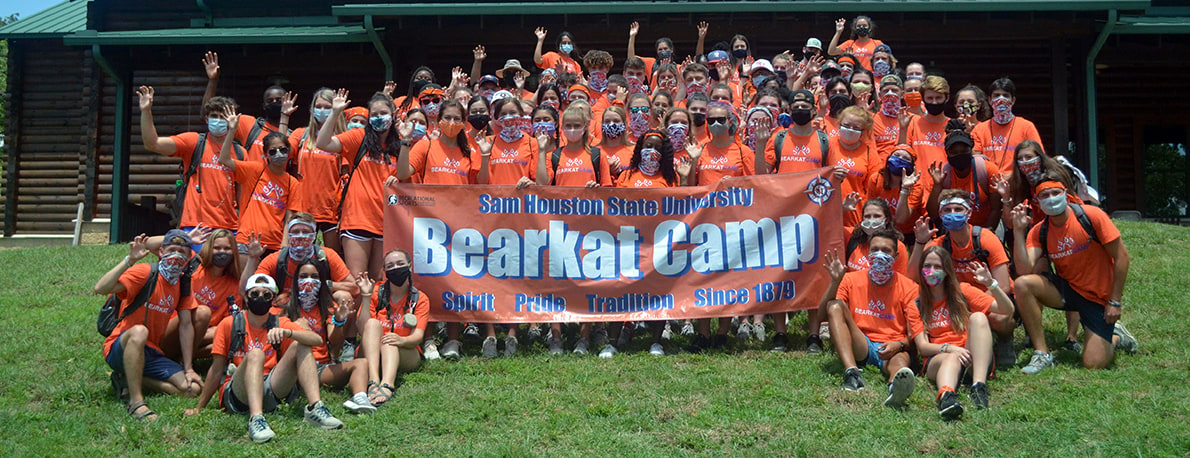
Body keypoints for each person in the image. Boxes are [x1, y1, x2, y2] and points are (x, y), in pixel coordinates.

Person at [186, 274, 344, 443]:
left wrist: (288, 332)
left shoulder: (279, 323)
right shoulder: (229, 323)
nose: (260, 298)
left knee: (301, 343)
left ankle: (315, 407)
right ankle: (256, 418)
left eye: (266, 295)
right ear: (246, 297)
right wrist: (199, 407)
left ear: (273, 299)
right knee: (256, 353)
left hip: (271, 385)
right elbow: (216, 369)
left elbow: (317, 340)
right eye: (255, 294)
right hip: (239, 392)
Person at [1011, 179, 1138, 375]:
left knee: (1093, 363)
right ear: (1037, 201)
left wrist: (1115, 301)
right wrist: (1019, 231)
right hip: (1067, 290)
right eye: (1045, 195)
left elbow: (1122, 257)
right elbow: (1024, 268)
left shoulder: (1091, 216)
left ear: (1066, 194)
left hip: (1098, 298)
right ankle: (1042, 353)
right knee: (1022, 284)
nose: (1051, 199)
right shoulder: (1039, 231)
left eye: (1055, 193)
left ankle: (1116, 337)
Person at [97, 230, 203, 421]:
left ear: (189, 258)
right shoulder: (146, 272)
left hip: (151, 353)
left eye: (182, 252)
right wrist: (129, 260)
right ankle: (136, 402)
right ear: (161, 252)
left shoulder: (182, 284)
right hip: (121, 346)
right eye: (172, 250)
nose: (177, 255)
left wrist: (188, 368)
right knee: (139, 331)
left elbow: (186, 325)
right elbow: (101, 288)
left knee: (192, 389)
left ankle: (128, 378)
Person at [910, 189, 1017, 365]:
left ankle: (1004, 340)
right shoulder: (940, 243)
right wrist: (920, 242)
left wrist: (972, 306)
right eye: (947, 210)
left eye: (958, 209)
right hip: (958, 300)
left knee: (997, 318)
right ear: (941, 214)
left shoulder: (985, 238)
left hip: (989, 296)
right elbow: (914, 278)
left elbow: (1004, 285)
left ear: (968, 213)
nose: (953, 214)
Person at [821, 228, 922, 410]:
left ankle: (896, 388)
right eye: (875, 250)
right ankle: (852, 373)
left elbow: (916, 334)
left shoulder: (910, 288)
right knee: (834, 305)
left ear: (896, 255)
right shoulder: (850, 279)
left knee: (900, 363)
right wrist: (835, 281)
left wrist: (899, 345)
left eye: (886, 251)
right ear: (868, 253)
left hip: (893, 346)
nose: (879, 255)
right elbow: (823, 314)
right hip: (861, 342)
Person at [913, 247, 1013, 419]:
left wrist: (991, 284)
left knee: (979, 317)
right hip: (940, 357)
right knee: (951, 357)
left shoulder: (963, 291)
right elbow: (922, 347)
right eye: (927, 266)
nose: (931, 271)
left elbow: (1007, 309)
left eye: (937, 267)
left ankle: (978, 386)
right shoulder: (916, 301)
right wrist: (950, 349)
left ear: (947, 270)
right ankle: (947, 397)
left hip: (971, 356)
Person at [315, 90, 401, 282]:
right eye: (375, 114)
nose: (379, 118)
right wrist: (335, 113)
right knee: (357, 282)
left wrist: (398, 181)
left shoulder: (400, 145)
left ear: (393, 115)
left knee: (379, 281)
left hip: (386, 223)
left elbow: (406, 178)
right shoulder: (358, 137)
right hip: (357, 220)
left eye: (383, 113)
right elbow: (323, 142)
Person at [272, 260, 376, 414]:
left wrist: (339, 321)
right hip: (292, 366)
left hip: (320, 366)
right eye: (303, 276)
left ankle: (360, 398)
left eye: (314, 276)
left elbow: (335, 342)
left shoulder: (326, 305)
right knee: (301, 332)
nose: (309, 280)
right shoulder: (283, 303)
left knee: (361, 363)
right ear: (295, 281)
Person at [138, 86, 244, 233]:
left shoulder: (240, 152)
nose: (218, 120)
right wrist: (146, 111)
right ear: (207, 119)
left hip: (229, 227)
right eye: (214, 116)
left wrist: (243, 226)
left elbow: (242, 195)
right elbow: (153, 144)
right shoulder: (193, 142)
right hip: (195, 226)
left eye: (223, 116)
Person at [216, 108, 299, 263]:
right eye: (273, 151)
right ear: (266, 154)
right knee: (245, 285)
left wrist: (284, 244)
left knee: (270, 286)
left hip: (274, 244)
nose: (279, 154)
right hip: (246, 239)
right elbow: (224, 159)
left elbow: (290, 217)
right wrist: (231, 132)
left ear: (288, 152)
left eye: (283, 150)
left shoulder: (292, 182)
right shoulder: (255, 170)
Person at [353, 250, 428, 404]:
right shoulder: (376, 292)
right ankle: (373, 381)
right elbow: (363, 329)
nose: (396, 268)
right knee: (373, 324)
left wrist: (400, 340)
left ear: (409, 266)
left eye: (400, 264)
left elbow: (417, 337)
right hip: (371, 351)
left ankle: (387, 385)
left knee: (389, 343)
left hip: (405, 351)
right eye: (390, 266)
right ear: (385, 271)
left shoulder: (419, 298)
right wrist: (366, 297)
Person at [161, 228, 240, 360]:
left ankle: (179, 358)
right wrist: (185, 238)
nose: (222, 252)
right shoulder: (193, 263)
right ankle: (181, 358)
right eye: (217, 248)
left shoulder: (234, 285)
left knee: (226, 334)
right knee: (203, 312)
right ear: (209, 248)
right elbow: (150, 244)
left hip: (199, 335)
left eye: (227, 249)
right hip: (170, 326)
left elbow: (227, 324)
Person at [290, 88, 346, 255]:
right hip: (303, 209)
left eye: (327, 106)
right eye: (318, 106)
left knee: (330, 260)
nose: (322, 110)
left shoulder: (343, 138)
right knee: (301, 258)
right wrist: (285, 118)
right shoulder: (301, 135)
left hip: (331, 210)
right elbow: (278, 149)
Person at [925, 122, 1002, 228]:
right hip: (953, 230)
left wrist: (982, 236)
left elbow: (996, 208)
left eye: (964, 150)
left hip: (985, 228)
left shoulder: (988, 169)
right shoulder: (943, 175)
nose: (959, 155)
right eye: (954, 152)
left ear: (971, 150)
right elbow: (933, 213)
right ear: (947, 153)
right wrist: (937, 185)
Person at [972, 77, 1045, 171]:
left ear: (1013, 100)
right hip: (990, 181)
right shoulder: (979, 129)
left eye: (1005, 95)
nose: (1001, 99)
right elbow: (975, 161)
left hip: (1018, 182)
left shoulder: (1027, 126)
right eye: (996, 95)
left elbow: (1038, 158)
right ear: (990, 100)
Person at [764, 89, 832, 174]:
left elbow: (832, 174)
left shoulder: (825, 141)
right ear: (789, 110)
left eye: (804, 107)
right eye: (795, 107)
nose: (800, 109)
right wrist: (760, 144)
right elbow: (762, 174)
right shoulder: (778, 138)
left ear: (814, 109)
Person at [865, 144, 924, 235]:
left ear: (912, 165)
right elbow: (870, 208)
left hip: (910, 231)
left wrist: (905, 189)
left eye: (905, 158)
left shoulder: (916, 186)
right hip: (882, 228)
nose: (900, 159)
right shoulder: (876, 179)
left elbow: (901, 219)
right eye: (896, 155)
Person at [900, 75, 952, 170]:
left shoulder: (953, 125)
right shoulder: (912, 123)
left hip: (946, 182)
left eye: (938, 98)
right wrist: (903, 129)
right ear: (923, 99)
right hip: (917, 183)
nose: (934, 102)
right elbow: (901, 153)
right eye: (930, 98)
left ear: (947, 98)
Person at [872, 75, 907, 157]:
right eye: (886, 91)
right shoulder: (872, 119)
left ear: (902, 94)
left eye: (894, 90)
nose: (890, 93)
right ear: (880, 95)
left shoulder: (911, 119)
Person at [599, 105, 634, 179]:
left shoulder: (634, 150)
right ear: (602, 124)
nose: (611, 124)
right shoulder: (595, 151)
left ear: (624, 124)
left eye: (616, 121)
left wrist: (620, 172)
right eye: (607, 121)